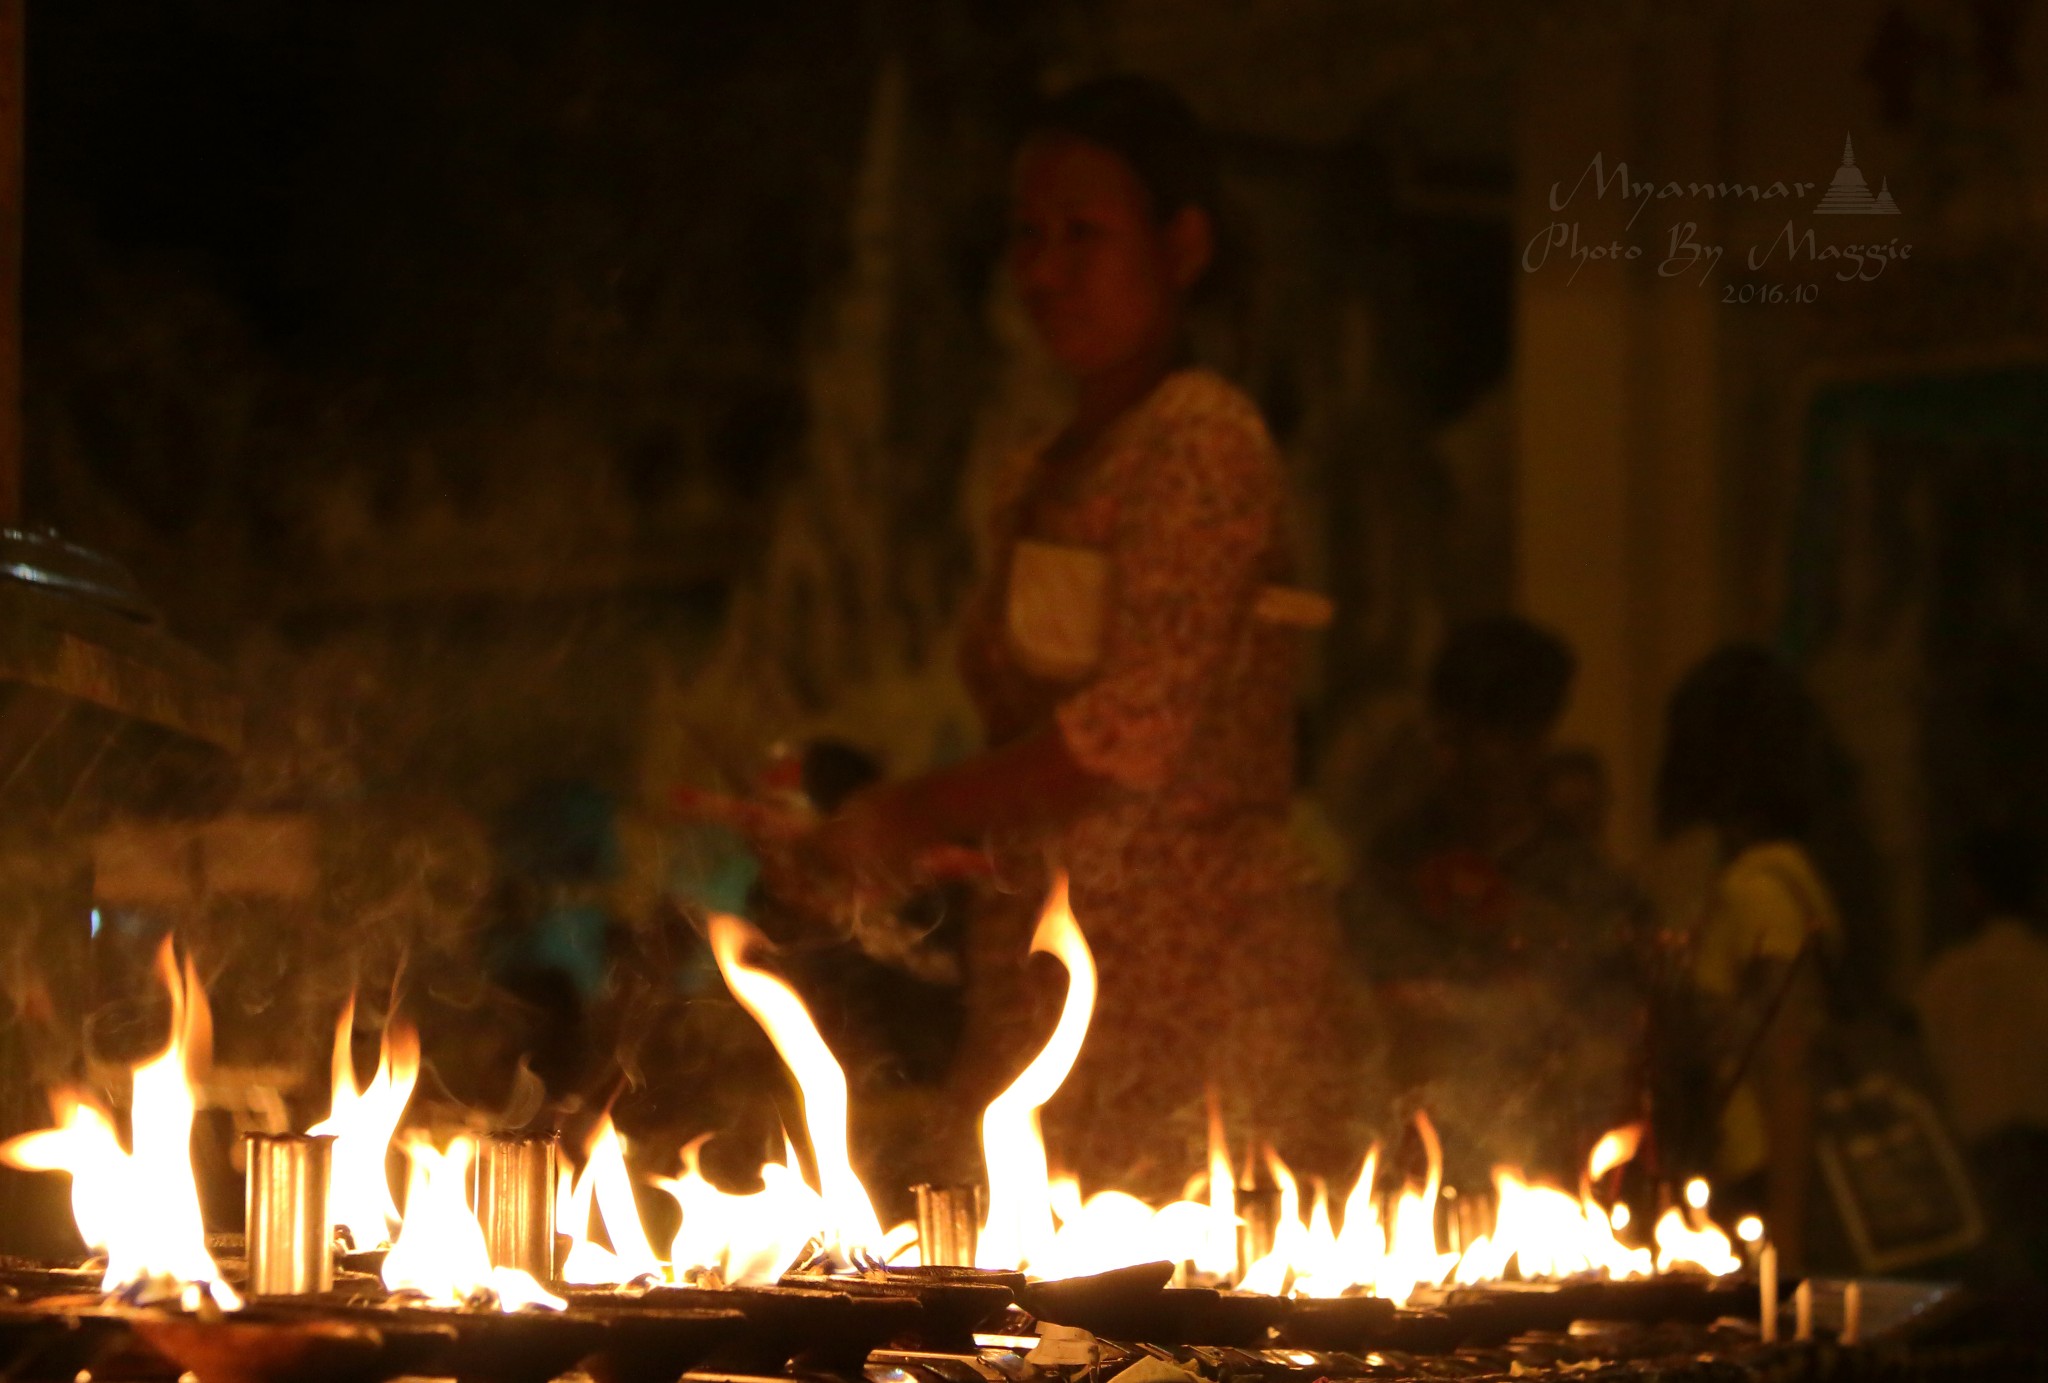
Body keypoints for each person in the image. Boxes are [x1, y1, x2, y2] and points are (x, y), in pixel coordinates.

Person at [803, 75, 1350, 1193]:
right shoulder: (1034, 476)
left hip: (1186, 994)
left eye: (1083, 235)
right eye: (1027, 236)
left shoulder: (1202, 441)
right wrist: (912, 845)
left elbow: (1123, 738)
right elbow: (1037, 751)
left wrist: (908, 811)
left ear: (1181, 246)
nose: (1043, 272)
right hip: (1043, 981)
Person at [1355, 616, 1643, 1180]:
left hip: (1549, 1164)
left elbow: (1612, 1032)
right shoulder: (1391, 865)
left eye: (1515, 735)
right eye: (1468, 734)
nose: (1491, 758)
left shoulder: (1583, 883)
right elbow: (1366, 1008)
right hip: (1414, 1156)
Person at [1653, 645, 1845, 1273]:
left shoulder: (1755, 890)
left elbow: (1787, 1065)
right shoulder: (1796, 873)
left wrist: (1783, 1251)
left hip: (1760, 1182)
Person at [1915, 828, 2048, 1279]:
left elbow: (1926, 1075)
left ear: (1972, 890)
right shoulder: (2038, 971)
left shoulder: (1945, 980)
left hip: (1971, 1171)